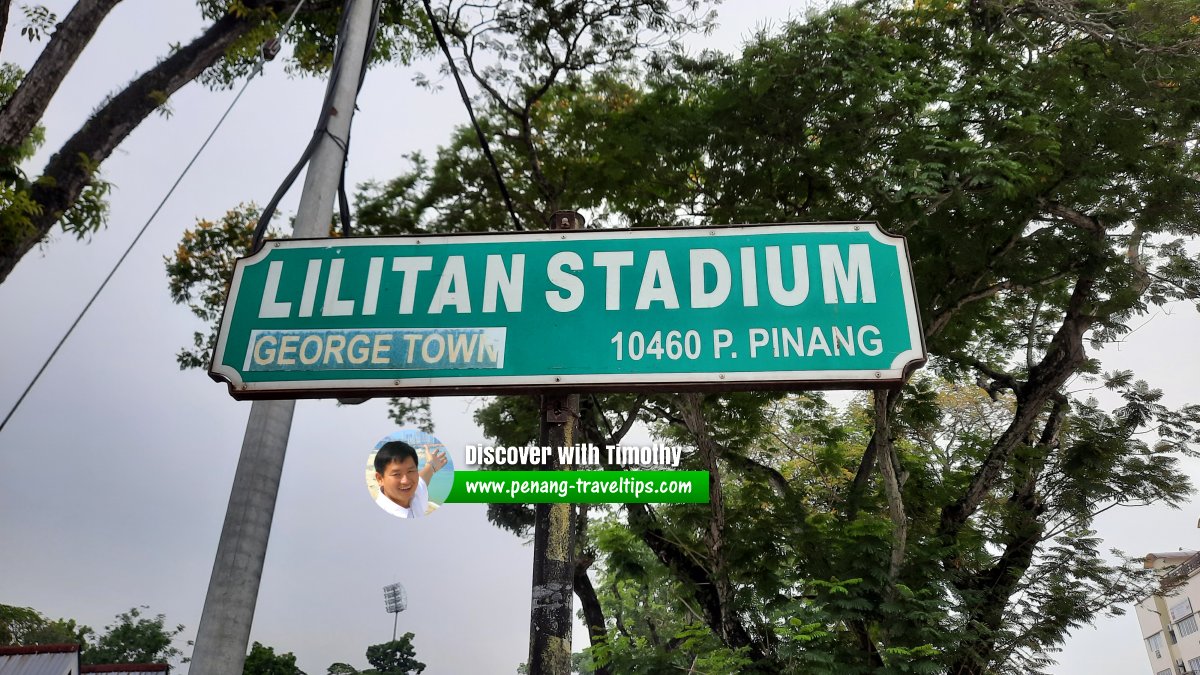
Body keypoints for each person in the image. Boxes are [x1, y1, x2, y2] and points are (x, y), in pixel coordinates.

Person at [373, 440, 448, 518]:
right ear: (380, 479)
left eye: (410, 471)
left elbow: (423, 478)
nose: (406, 481)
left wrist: (431, 465)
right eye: (396, 474)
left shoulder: (415, 494)